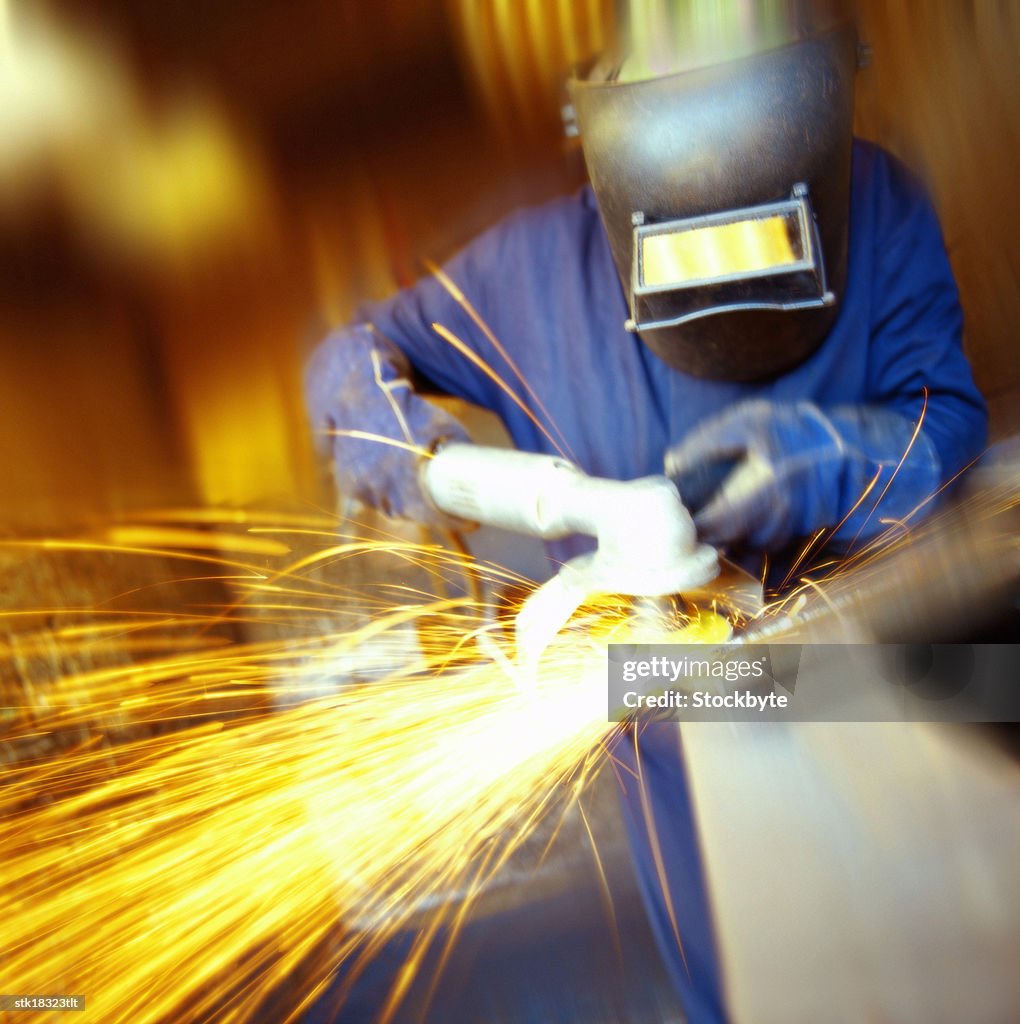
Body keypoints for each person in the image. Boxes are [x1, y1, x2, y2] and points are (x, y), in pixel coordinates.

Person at [304, 3, 987, 1019]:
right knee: (759, 982)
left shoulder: (877, 202)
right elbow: (345, 364)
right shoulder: (523, 271)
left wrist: (827, 454)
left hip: (873, 683)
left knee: (939, 967)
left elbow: (946, 425)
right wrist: (485, 481)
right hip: (676, 725)